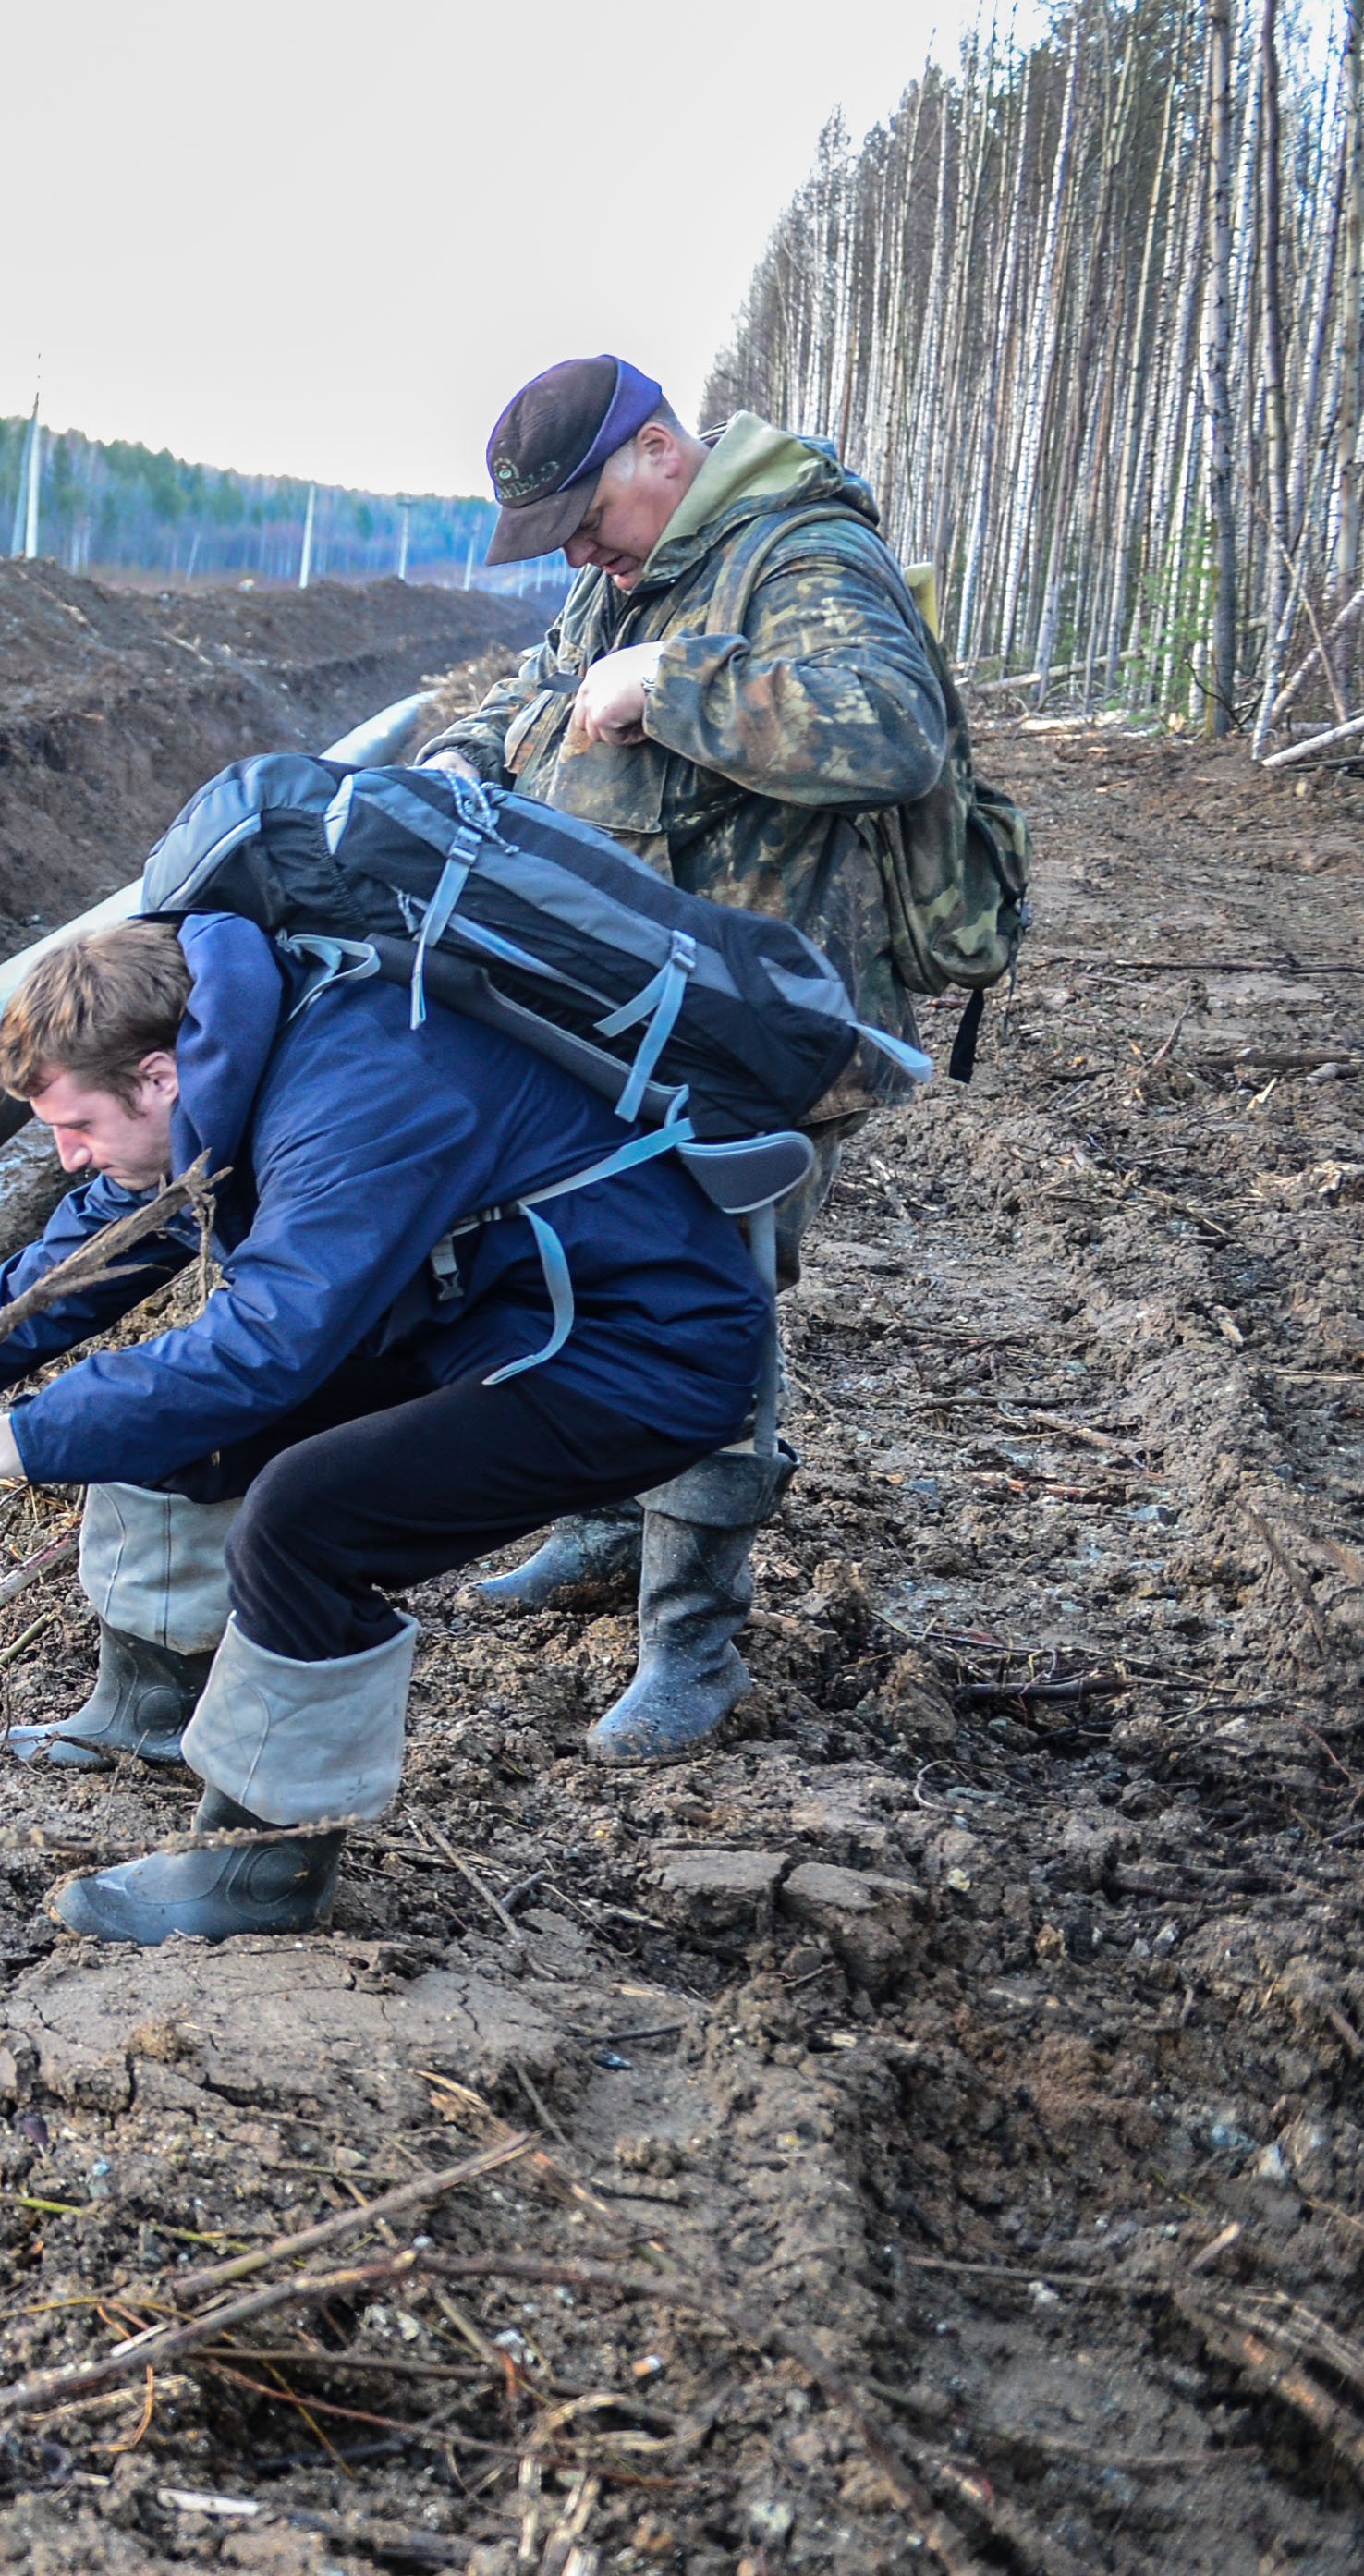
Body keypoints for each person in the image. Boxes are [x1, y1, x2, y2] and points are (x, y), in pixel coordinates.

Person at [0, 917, 769, 1946]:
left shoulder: (359, 1090)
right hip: (486, 1310)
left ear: (159, 1075)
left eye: (76, 1127)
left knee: (308, 1520)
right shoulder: (225, 1081)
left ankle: (263, 1869)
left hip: (634, 1355)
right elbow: (75, 1268)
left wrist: (8, 1443)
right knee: (168, 1423)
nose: (70, 1158)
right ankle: (155, 1707)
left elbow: (268, 1341)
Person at [420, 354, 972, 1761]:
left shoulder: (802, 550)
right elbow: (541, 698)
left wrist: (676, 678)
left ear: (661, 450)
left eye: (589, 520)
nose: (586, 557)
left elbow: (893, 730)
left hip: (768, 1009)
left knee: (703, 1294)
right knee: (588, 1256)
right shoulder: (625, 573)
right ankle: (609, 1523)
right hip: (632, 998)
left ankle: (695, 1642)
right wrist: (454, 767)